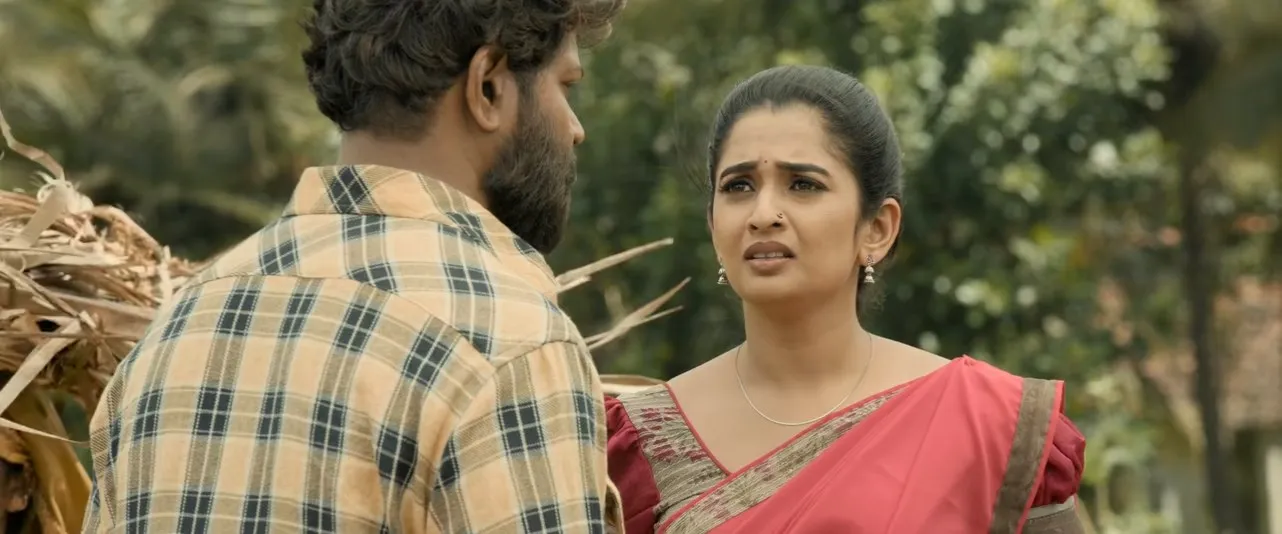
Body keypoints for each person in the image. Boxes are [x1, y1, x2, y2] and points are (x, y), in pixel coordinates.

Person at [81, 0, 628, 532]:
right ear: (488, 85)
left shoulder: (174, 331)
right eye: (566, 85)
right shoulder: (511, 344)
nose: (575, 127)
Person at [605, 65, 1086, 533]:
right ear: (713, 225)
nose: (763, 213)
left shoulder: (981, 420)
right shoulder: (639, 443)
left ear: (877, 229)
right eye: (739, 186)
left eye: (803, 184)